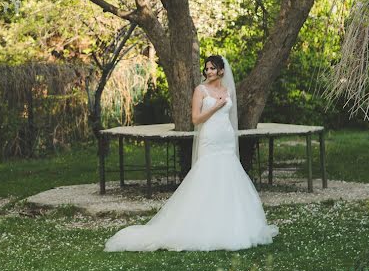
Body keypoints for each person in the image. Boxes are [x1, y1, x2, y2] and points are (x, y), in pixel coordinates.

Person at [104, 55, 278, 252]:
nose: (209, 72)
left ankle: (230, 223)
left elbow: (229, 117)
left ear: (221, 71)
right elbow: (196, 119)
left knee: (229, 176)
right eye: (207, 69)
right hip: (210, 139)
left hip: (226, 139)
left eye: (212, 68)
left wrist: (224, 112)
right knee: (207, 177)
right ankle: (200, 224)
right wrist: (216, 106)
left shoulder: (227, 90)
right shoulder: (200, 90)